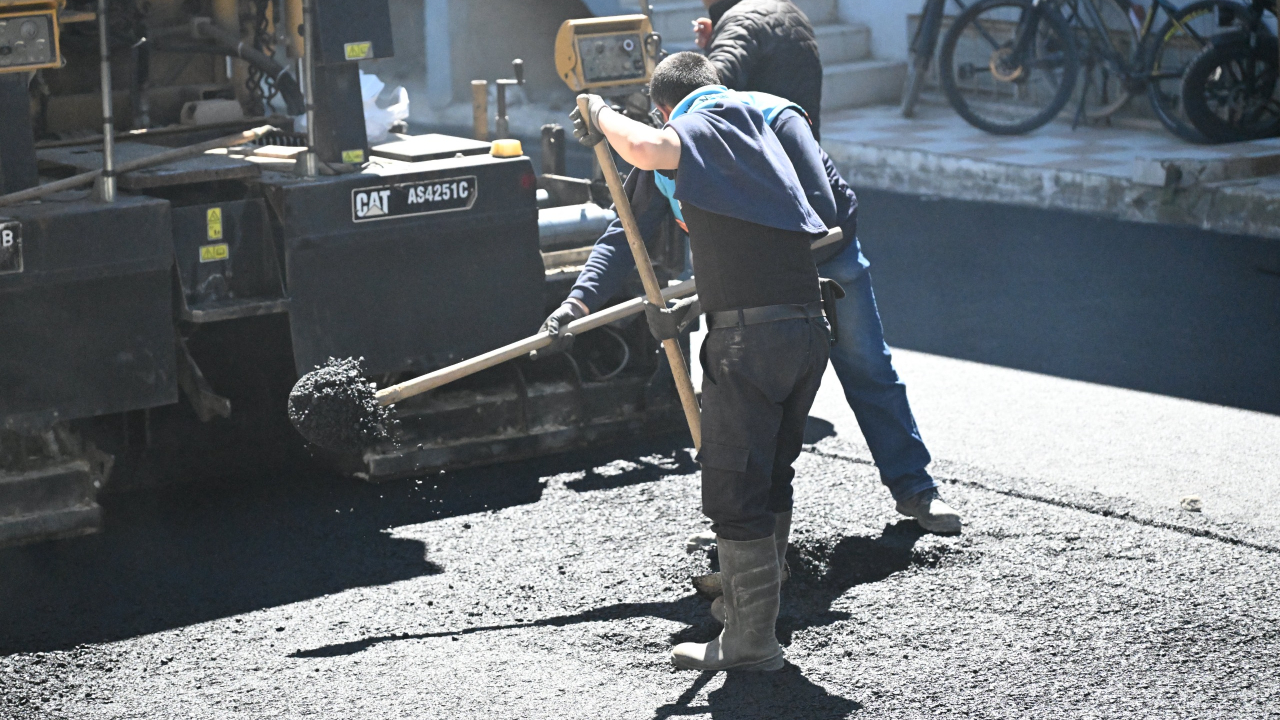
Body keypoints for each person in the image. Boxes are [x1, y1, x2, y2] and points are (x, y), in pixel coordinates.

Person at [543, 52, 831, 672]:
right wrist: (578, 303)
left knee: (734, 487)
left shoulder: (709, 118)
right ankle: (751, 604)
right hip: (805, 330)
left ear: (664, 109)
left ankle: (751, 643)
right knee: (768, 473)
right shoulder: (759, 131)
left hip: (750, 341)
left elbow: (646, 149)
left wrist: (600, 112)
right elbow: (631, 231)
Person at [693, 0, 825, 138]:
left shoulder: (741, 21)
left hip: (767, 144)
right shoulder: (782, 8)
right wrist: (717, 40)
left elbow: (708, 87)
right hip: (800, 141)